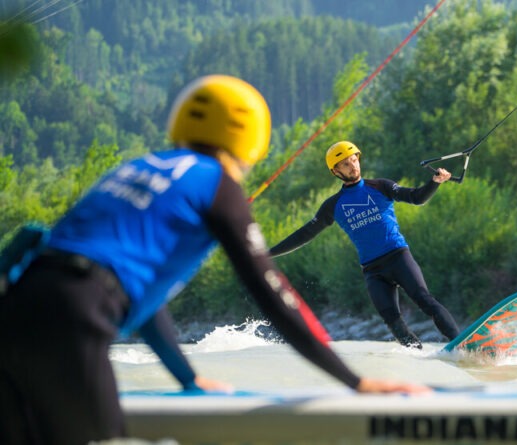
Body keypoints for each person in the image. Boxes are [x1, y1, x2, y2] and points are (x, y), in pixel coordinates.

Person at [0, 75, 429, 445]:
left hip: (16, 305)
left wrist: (187, 378)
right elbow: (273, 294)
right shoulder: (216, 184)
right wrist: (356, 382)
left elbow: (141, 298)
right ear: (249, 138)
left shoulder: (136, 168)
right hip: (73, 317)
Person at [269, 141, 460, 348]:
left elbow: (416, 197)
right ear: (335, 171)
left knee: (425, 300)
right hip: (373, 271)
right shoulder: (333, 205)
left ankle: (461, 343)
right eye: (345, 164)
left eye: (354, 160)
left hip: (398, 257)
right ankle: (419, 358)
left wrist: (435, 182)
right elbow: (304, 234)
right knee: (394, 323)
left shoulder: (381, 186)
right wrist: (267, 254)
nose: (353, 166)